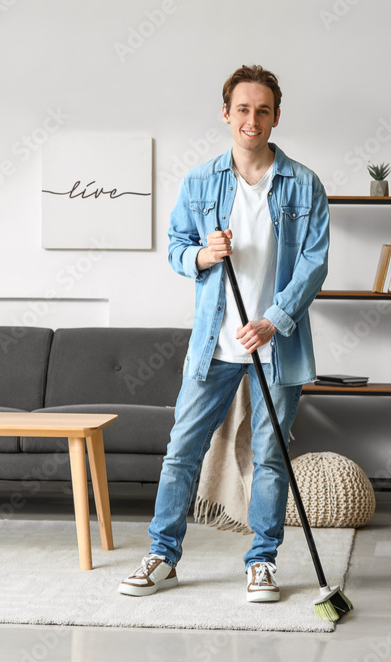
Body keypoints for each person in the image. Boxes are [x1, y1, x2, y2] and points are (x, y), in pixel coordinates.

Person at [119, 64, 329, 603]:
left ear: (276, 116)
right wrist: (203, 255)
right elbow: (176, 247)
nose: (252, 120)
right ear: (225, 114)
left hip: (275, 346)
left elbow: (314, 263)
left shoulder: (303, 184)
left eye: (263, 110)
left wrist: (275, 319)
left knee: (270, 456)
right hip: (214, 344)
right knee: (182, 451)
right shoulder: (200, 182)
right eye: (242, 109)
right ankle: (162, 556)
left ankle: (261, 563)